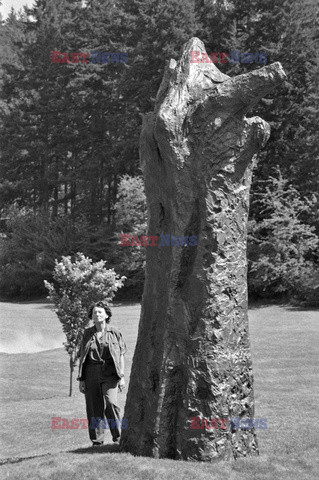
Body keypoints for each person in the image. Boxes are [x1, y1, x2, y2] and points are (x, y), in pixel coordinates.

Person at [77, 301, 127, 446]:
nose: (97, 314)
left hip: (110, 373)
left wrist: (122, 377)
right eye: (94, 313)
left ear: (106, 314)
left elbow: (121, 355)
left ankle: (118, 438)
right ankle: (97, 441)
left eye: (100, 312)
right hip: (91, 372)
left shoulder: (115, 332)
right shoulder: (88, 333)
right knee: (93, 407)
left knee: (111, 403)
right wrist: (82, 379)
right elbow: (82, 356)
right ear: (91, 316)